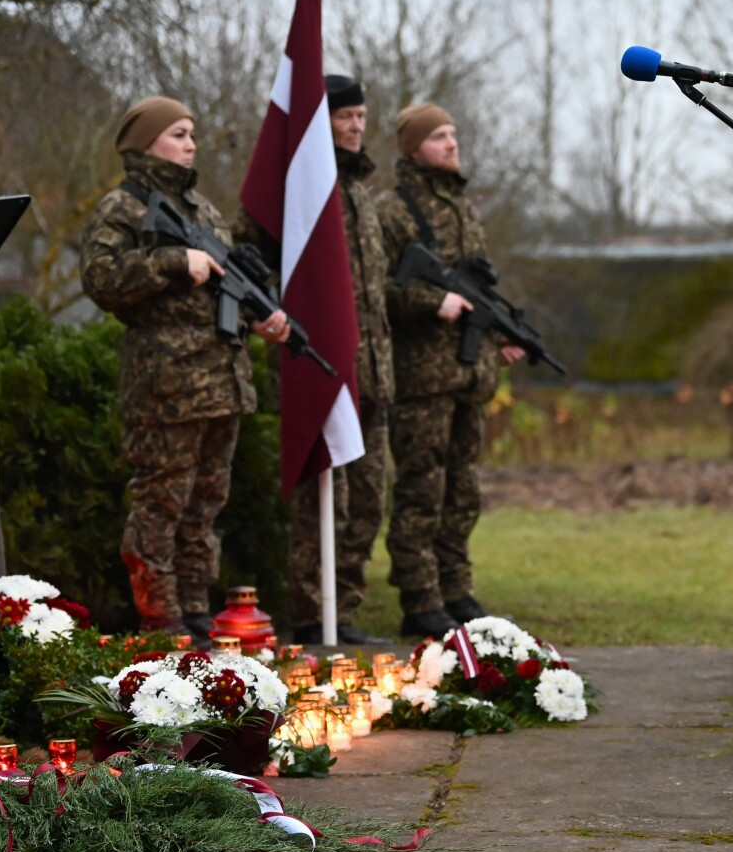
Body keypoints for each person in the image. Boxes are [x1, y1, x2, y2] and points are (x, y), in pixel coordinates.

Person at [80, 95, 291, 644]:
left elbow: (221, 291)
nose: (191, 143)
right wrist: (175, 261)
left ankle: (197, 608)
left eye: (191, 133)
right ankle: (161, 618)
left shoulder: (203, 210)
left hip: (221, 382)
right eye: (178, 133)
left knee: (205, 505)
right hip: (166, 386)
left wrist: (259, 318)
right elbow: (101, 279)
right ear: (144, 142)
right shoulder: (121, 208)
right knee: (161, 502)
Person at [377, 103, 524, 639]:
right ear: (413, 147)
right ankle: (420, 598)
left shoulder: (464, 206)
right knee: (421, 488)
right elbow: (377, 295)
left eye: (453, 134)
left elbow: (476, 289)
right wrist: (428, 301)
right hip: (421, 379)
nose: (451, 143)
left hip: (468, 375)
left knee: (463, 490)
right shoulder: (391, 212)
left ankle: (456, 590)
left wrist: (500, 331)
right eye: (438, 136)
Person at [284, 75, 393, 646]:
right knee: (327, 501)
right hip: (331, 372)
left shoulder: (361, 194)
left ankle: (343, 610)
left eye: (361, 117)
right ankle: (312, 614)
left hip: (374, 374)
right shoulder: (308, 189)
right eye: (345, 117)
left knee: (368, 503)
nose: (356, 127)